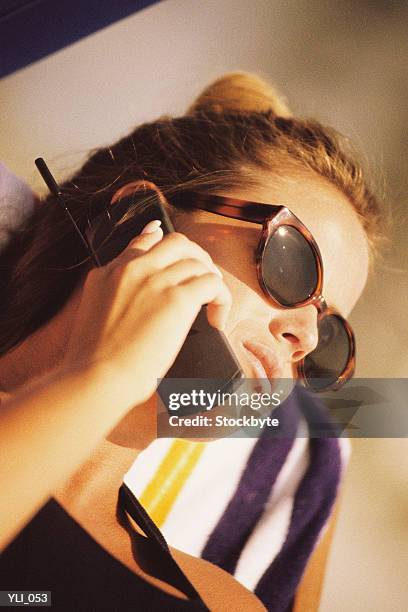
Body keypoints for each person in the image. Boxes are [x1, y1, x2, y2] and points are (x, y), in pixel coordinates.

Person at [0, 72, 382, 610]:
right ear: (137, 221)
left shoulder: (227, 601)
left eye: (330, 335)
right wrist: (106, 373)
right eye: (295, 264)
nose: (304, 337)